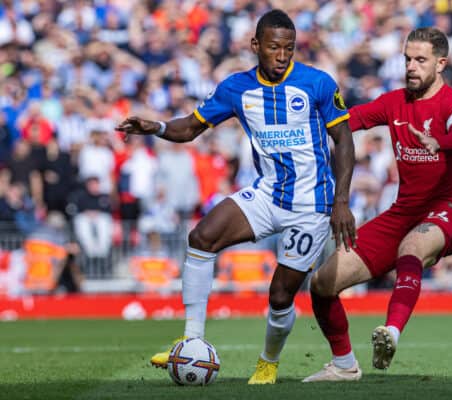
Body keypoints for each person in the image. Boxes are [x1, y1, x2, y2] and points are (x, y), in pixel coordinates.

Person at [116, 9, 356, 385]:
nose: (281, 56)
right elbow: (191, 128)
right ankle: (191, 341)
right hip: (267, 194)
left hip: (312, 205)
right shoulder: (235, 88)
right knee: (201, 237)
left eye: (289, 49)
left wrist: (341, 202)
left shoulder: (318, 83)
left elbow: (344, 140)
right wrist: (156, 126)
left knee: (280, 295)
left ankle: (268, 363)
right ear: (255, 45)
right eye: (274, 47)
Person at [302, 27, 452, 382]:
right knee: (321, 283)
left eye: (421, 60)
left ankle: (391, 332)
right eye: (408, 59)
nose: (411, 66)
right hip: (402, 212)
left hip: (446, 209)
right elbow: (347, 121)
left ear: (441, 63)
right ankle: (344, 365)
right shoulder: (394, 102)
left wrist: (439, 143)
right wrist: (305, 122)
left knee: (412, 247)